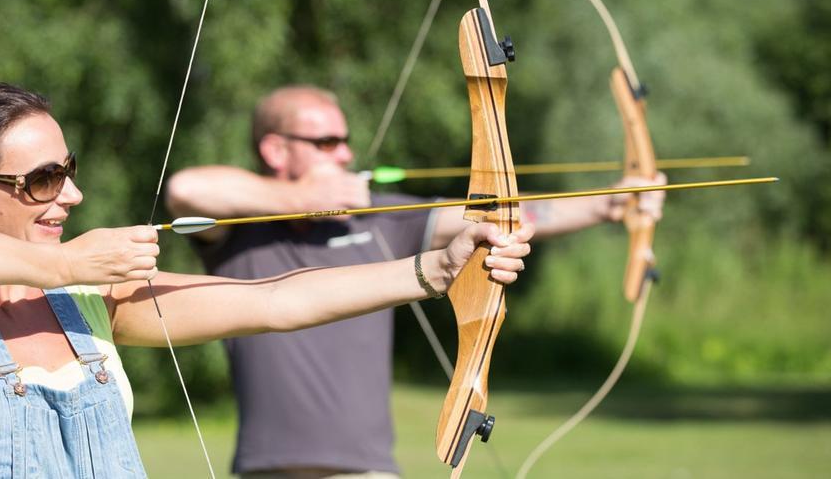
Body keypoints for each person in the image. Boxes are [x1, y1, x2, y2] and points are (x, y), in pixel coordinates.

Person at [0, 81, 534, 478]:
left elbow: (276, 300)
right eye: (44, 179)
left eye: (68, 170)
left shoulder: (90, 303)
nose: (72, 194)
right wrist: (69, 265)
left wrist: (435, 270)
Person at [165, 85, 666, 479]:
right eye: (326, 142)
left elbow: (499, 215)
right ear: (275, 149)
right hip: (263, 469)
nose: (344, 154)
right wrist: (301, 199)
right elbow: (187, 189)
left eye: (344, 141)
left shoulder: (377, 217)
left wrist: (609, 204)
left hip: (366, 470)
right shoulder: (239, 235)